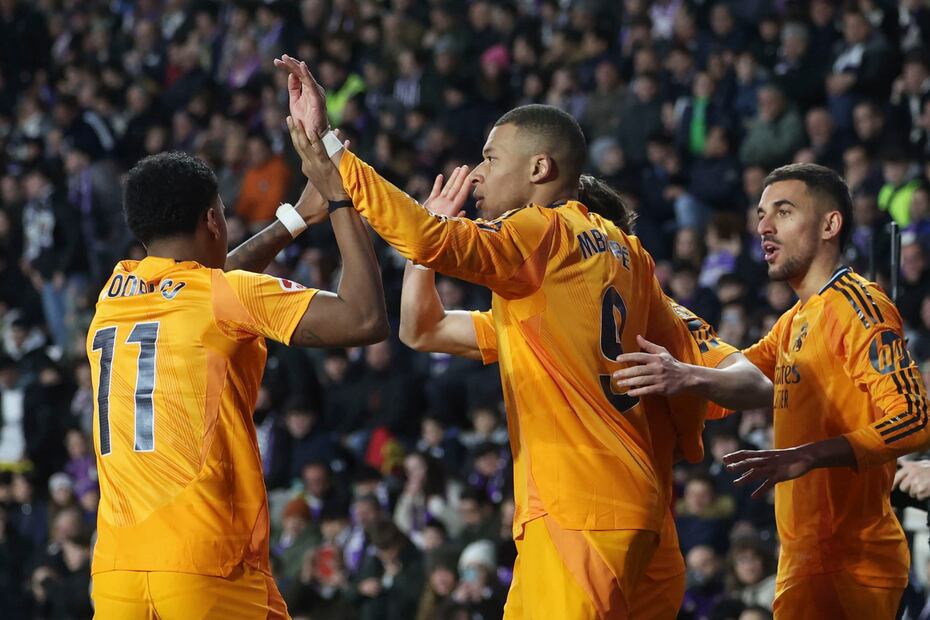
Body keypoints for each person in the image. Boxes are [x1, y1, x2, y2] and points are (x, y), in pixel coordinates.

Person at [275, 54, 703, 618]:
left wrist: (331, 147)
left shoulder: (541, 230)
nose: (477, 174)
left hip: (578, 509)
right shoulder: (626, 256)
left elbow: (427, 239)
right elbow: (423, 329)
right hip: (638, 510)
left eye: (490, 158)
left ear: (539, 169)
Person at [87, 120, 388, 616]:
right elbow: (365, 318)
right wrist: (338, 202)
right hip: (206, 560)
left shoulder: (114, 293)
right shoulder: (227, 297)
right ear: (212, 221)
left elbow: (209, 283)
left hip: (118, 569)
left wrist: (294, 221)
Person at [617, 163, 930, 619]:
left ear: (830, 224)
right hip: (805, 560)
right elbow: (739, 375)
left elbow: (916, 419)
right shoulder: (794, 321)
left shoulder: (860, 305)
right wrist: (679, 358)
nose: (763, 226)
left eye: (783, 212)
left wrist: (809, 454)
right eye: (761, 214)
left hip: (850, 563)